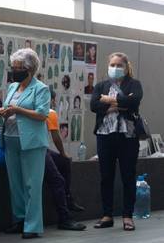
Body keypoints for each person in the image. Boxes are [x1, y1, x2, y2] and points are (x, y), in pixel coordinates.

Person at [0, 48, 50, 239]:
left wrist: (17, 110)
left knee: (32, 184)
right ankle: (19, 219)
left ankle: (33, 225)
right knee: (16, 184)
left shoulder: (41, 89)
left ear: (30, 69)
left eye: (19, 67)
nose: (15, 71)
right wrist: (3, 111)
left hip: (32, 142)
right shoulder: (13, 87)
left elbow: (42, 114)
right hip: (11, 138)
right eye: (14, 67)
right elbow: (9, 108)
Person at [90, 52, 142, 231]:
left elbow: (134, 101)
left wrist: (110, 101)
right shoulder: (101, 85)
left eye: (119, 65)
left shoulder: (134, 84)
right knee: (106, 176)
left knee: (128, 175)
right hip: (105, 135)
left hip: (128, 136)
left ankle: (128, 216)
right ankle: (107, 215)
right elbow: (94, 106)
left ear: (126, 67)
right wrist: (120, 104)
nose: (115, 68)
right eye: (112, 64)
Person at [45, 90, 86, 231]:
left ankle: (68, 198)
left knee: (64, 162)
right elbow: (56, 137)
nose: (54, 102)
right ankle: (64, 218)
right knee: (57, 180)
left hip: (41, 148)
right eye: (53, 99)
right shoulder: (49, 112)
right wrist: (63, 152)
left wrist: (63, 156)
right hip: (39, 150)